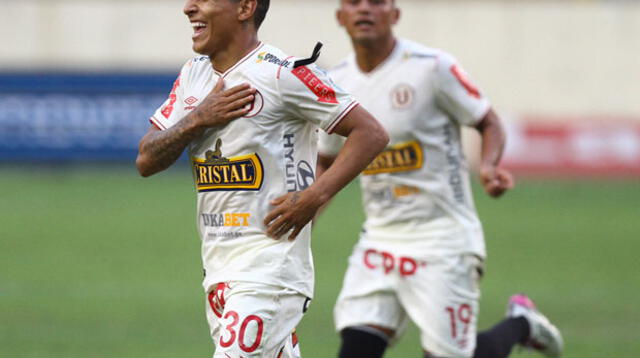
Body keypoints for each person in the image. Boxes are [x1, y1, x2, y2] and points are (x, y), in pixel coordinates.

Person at [136, 0, 388, 357]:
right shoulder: (193, 74)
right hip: (219, 267)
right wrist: (197, 119)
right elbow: (146, 159)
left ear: (244, 8)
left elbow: (371, 132)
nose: (189, 7)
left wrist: (315, 196)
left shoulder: (283, 73)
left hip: (270, 270)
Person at [317, 1, 563, 358]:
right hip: (380, 240)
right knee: (356, 349)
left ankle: (522, 324)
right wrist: (302, 216)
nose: (364, 10)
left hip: (443, 238)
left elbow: (487, 121)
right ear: (340, 16)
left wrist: (489, 166)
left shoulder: (431, 68)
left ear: (395, 14)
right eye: (354, 2)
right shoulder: (336, 83)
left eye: (376, 2)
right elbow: (325, 161)